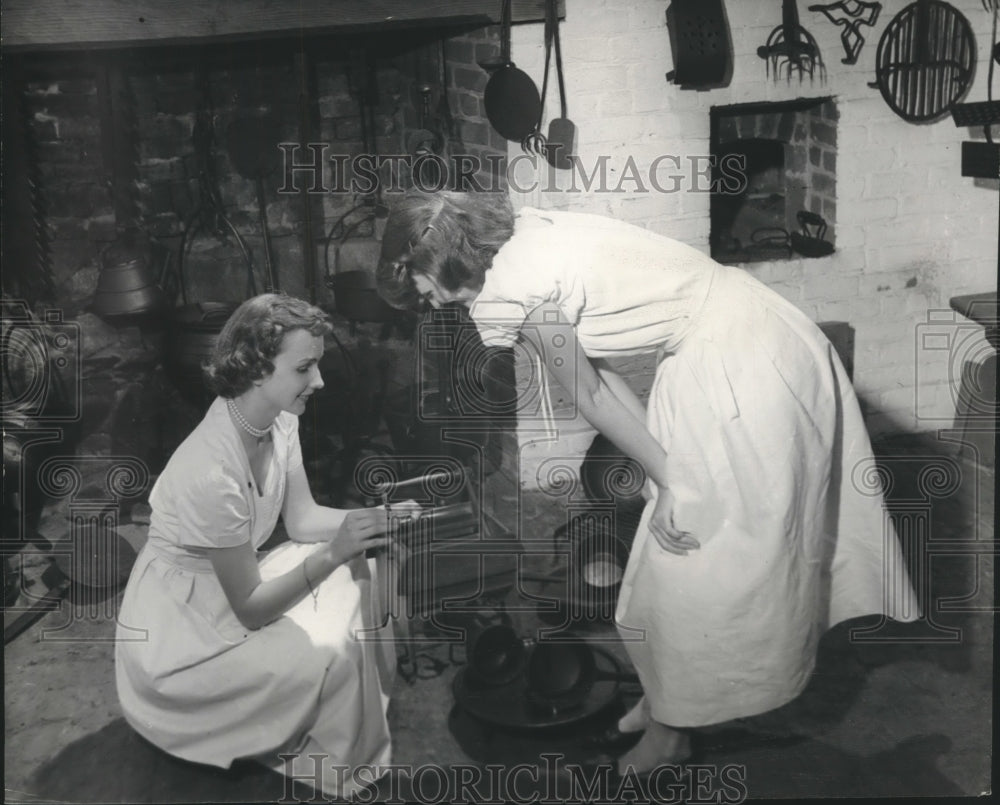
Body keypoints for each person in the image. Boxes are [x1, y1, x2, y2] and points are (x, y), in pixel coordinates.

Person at [375, 191, 920, 776]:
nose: (423, 301)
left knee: (693, 558)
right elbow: (599, 378)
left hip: (745, 363)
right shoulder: (522, 237)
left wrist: (675, 483)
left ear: (438, 255)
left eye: (417, 282)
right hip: (737, 340)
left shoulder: (516, 286)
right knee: (669, 547)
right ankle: (667, 706)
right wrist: (667, 475)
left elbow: (586, 393)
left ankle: (671, 733)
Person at [115, 293, 412, 799]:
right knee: (325, 648)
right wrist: (334, 552)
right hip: (184, 623)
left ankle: (342, 714)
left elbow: (302, 519)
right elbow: (250, 610)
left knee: (369, 567)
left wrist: (377, 519)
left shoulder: (278, 420)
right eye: (305, 367)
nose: (319, 381)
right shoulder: (208, 471)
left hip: (234, 579)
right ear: (255, 368)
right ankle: (306, 730)